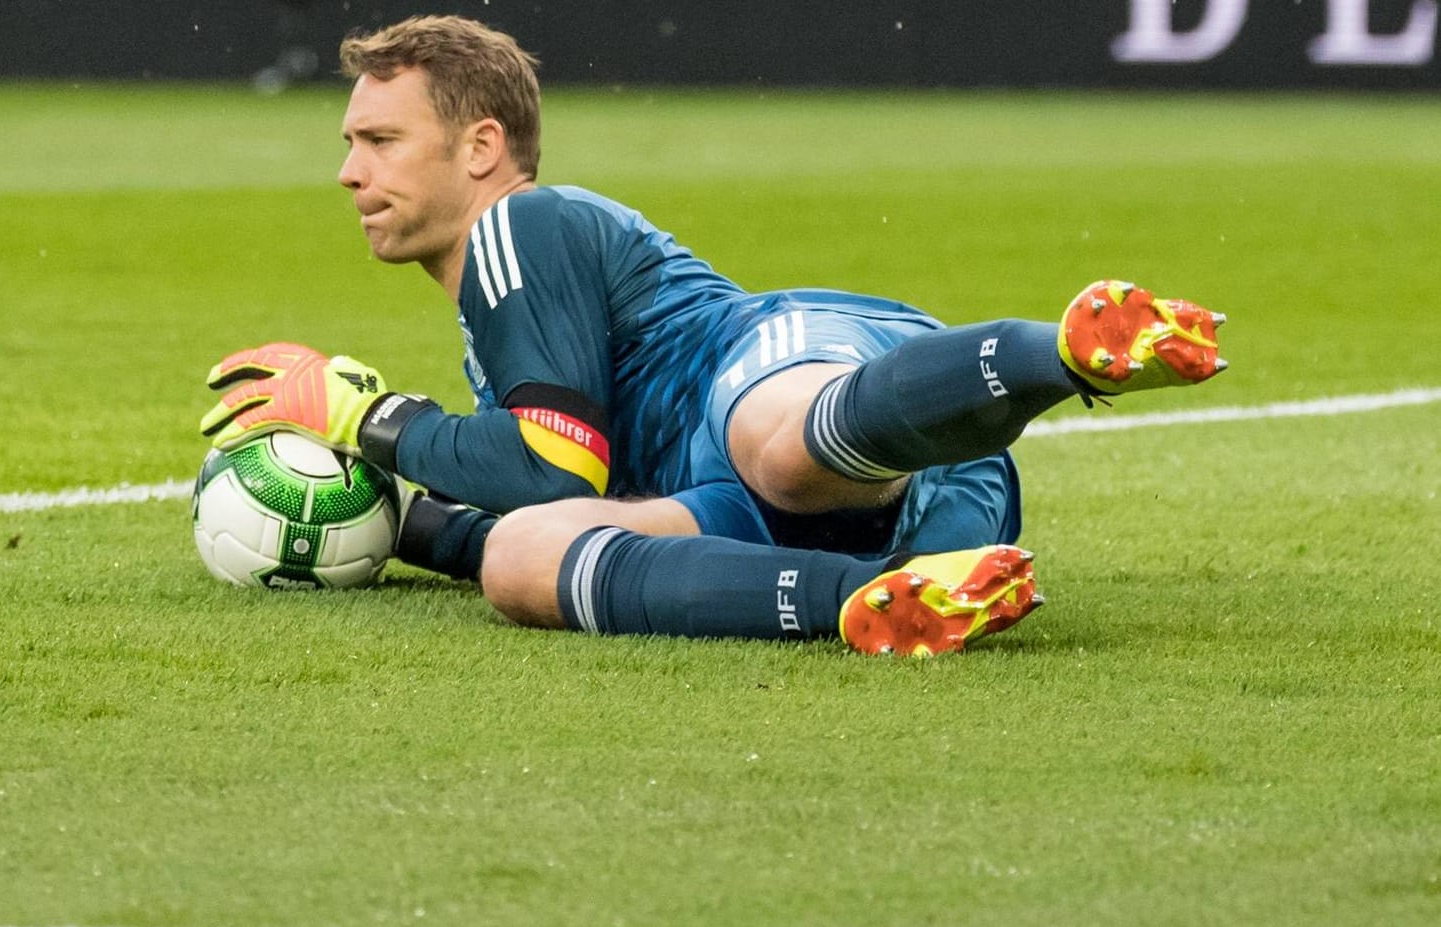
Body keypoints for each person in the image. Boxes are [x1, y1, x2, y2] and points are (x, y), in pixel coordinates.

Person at [197, 15, 1228, 656]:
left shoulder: (523, 222)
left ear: (480, 146)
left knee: (776, 446)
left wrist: (367, 418)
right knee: (518, 559)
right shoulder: (495, 307)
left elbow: (556, 460)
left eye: (379, 140)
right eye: (348, 144)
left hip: (797, 366)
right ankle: (877, 601)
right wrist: (403, 525)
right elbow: (562, 500)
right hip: (871, 504)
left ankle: (1065, 349)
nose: (349, 172)